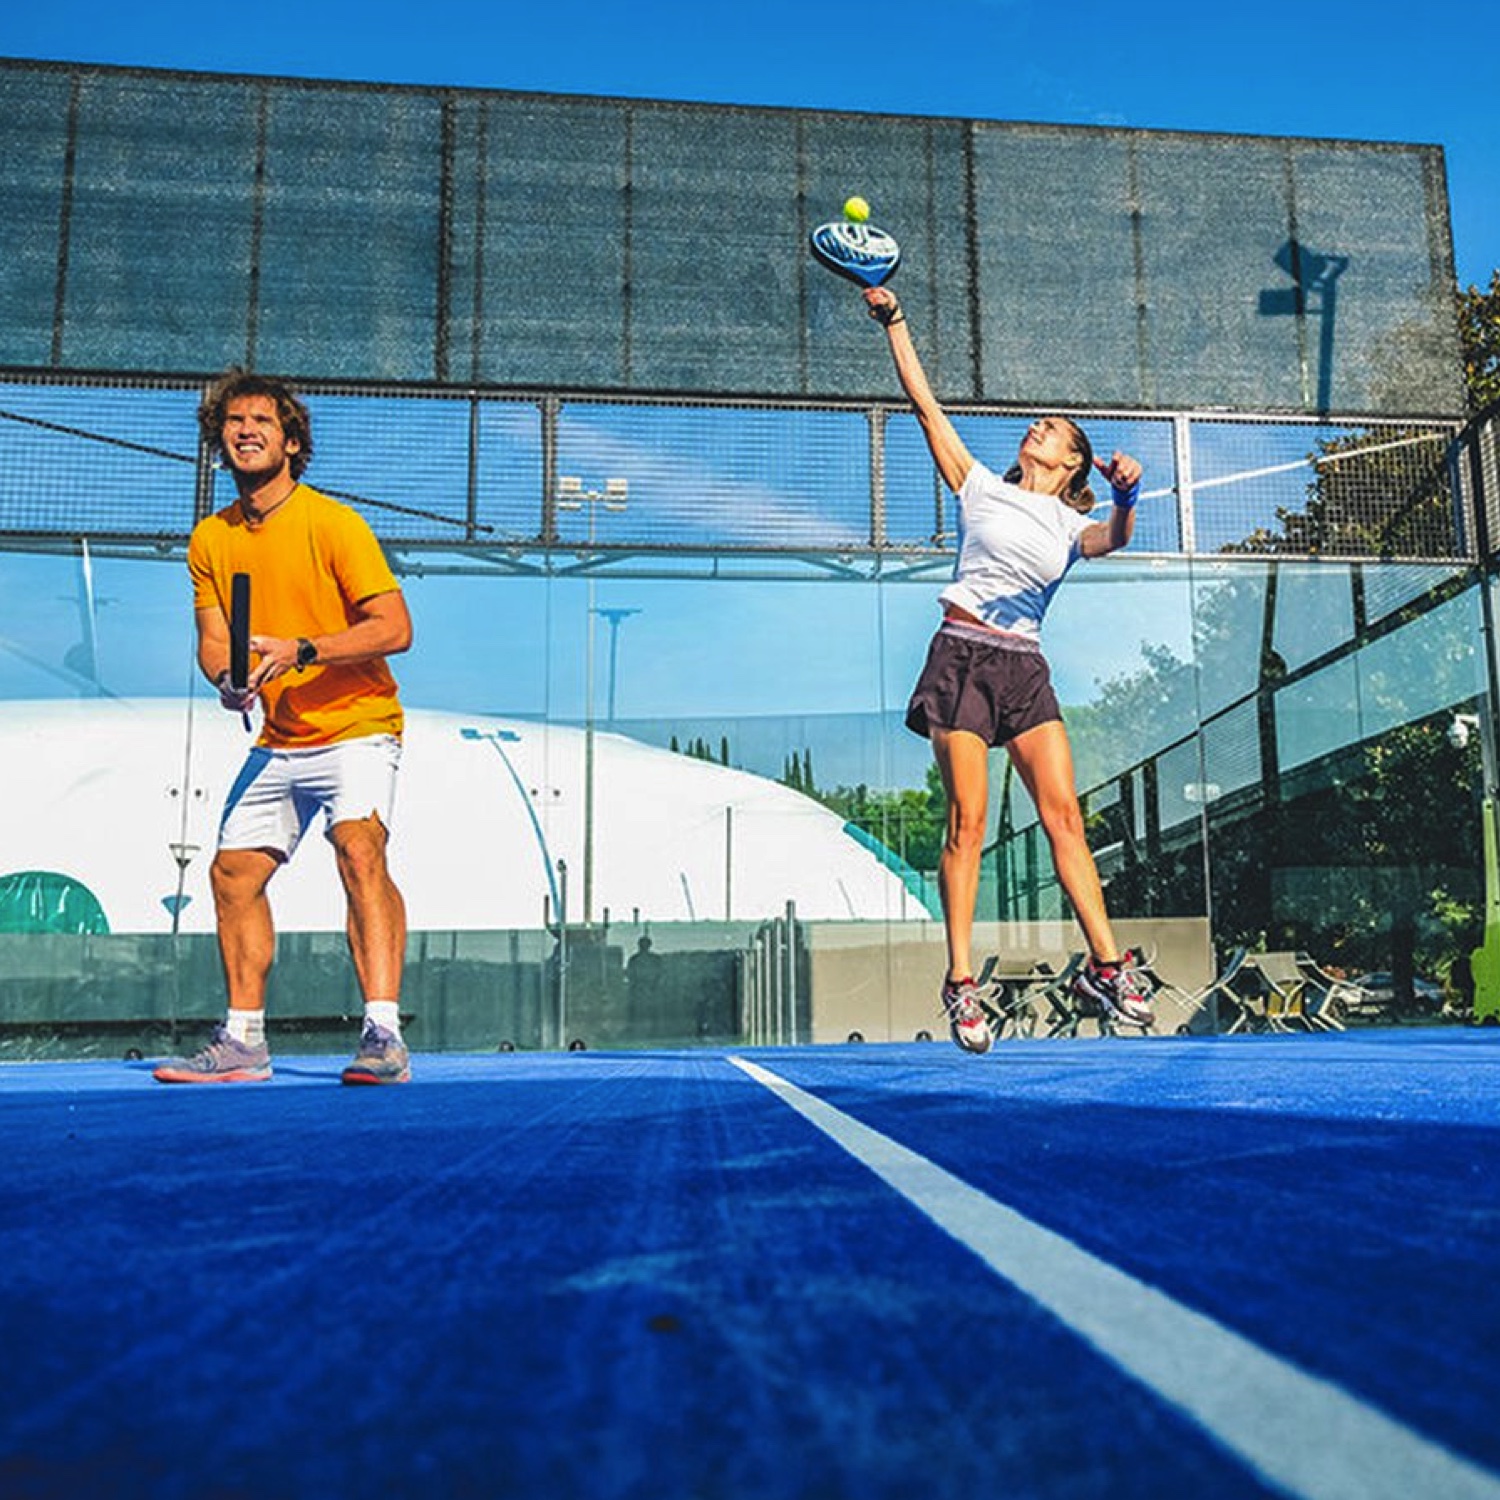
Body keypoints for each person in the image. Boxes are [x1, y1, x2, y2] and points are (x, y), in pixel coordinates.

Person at [864, 283, 1153, 1052]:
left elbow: (1116, 539)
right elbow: (925, 405)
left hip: (1024, 670)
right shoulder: (979, 486)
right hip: (961, 658)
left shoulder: (1074, 523)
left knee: (1066, 820)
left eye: (1052, 429)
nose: (1038, 427)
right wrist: (897, 322)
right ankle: (962, 985)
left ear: (1072, 461)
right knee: (969, 825)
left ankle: (1106, 965)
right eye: (1039, 423)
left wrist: (1129, 495)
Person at [154, 370, 414, 1085]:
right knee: (232, 874)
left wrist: (303, 650)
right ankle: (243, 1043)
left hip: (359, 725)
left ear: (292, 442)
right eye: (233, 423)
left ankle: (384, 1036)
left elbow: (394, 627)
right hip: (280, 737)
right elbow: (214, 642)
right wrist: (230, 680)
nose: (245, 431)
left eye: (262, 422)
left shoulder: (335, 524)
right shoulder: (211, 539)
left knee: (360, 852)